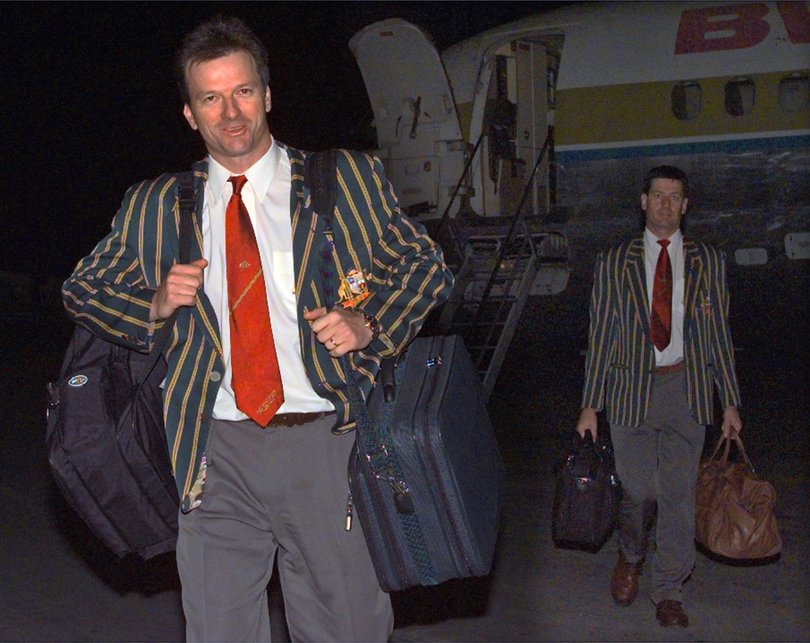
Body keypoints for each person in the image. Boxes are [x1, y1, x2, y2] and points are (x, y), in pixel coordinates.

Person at [62, 15, 453, 642]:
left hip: (325, 443)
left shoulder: (342, 180)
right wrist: (154, 305)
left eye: (243, 91)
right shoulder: (158, 206)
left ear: (267, 96)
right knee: (217, 631)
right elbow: (82, 288)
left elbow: (424, 265)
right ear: (191, 114)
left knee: (345, 627)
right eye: (210, 98)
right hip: (213, 451)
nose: (231, 112)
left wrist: (370, 322)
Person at [575, 165, 742, 628]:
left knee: (678, 493)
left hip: (686, 388)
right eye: (658, 195)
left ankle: (668, 589)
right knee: (638, 489)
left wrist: (728, 401)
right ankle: (630, 554)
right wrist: (591, 404)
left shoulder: (707, 260)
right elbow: (602, 334)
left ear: (686, 206)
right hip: (630, 388)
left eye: (675, 197)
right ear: (643, 201)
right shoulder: (613, 262)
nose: (666, 204)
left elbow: (718, 335)